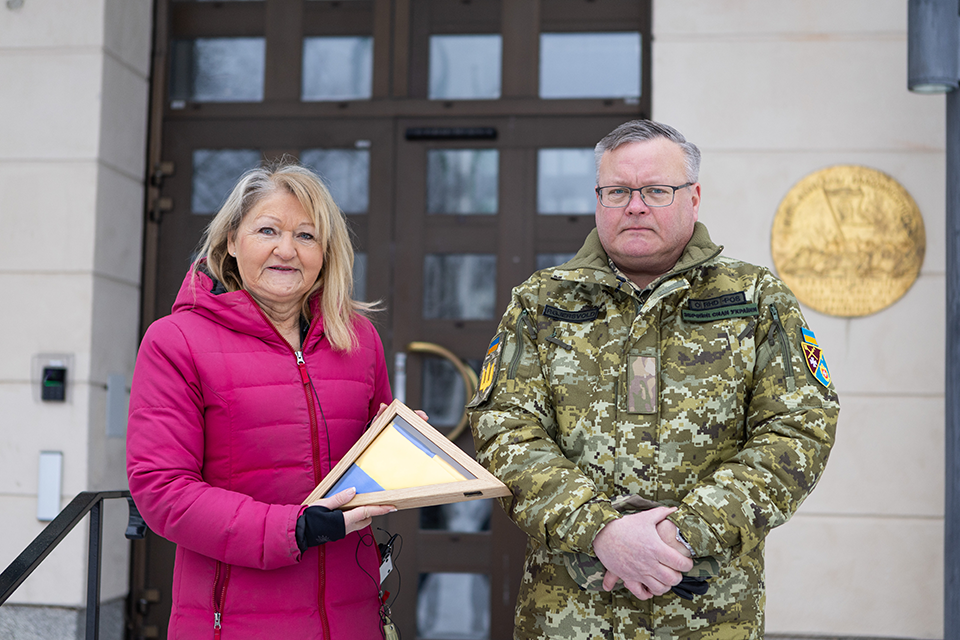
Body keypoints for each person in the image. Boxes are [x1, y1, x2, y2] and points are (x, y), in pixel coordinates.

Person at [468, 120, 839, 639]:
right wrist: (600, 530)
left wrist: (683, 535)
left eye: (656, 191)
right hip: (568, 616)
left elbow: (800, 427)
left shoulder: (755, 299)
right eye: (617, 191)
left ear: (694, 197)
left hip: (709, 614)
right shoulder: (541, 302)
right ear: (598, 199)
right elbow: (503, 428)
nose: (635, 206)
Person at [127, 162, 397, 639]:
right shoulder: (176, 341)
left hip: (351, 616)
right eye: (267, 230)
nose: (286, 250)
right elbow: (163, 490)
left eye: (306, 236)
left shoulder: (358, 339)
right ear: (232, 241)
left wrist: (400, 448)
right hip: (233, 622)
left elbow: (369, 472)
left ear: (325, 251)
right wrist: (294, 529)